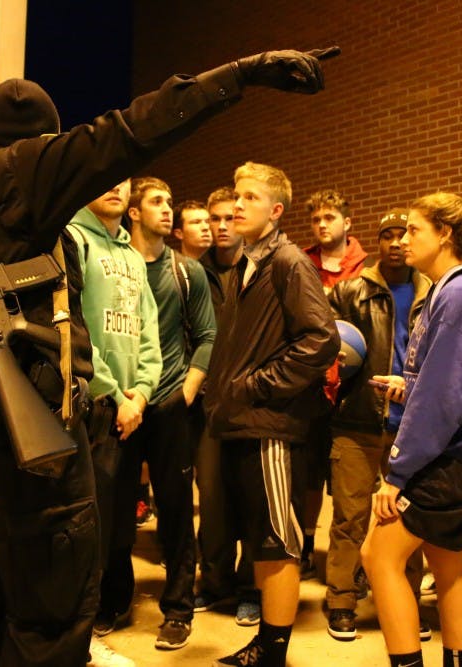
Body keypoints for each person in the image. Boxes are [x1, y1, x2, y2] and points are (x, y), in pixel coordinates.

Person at [0, 47, 337, 667]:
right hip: (19, 429)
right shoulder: (23, 170)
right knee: (50, 608)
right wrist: (242, 74)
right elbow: (131, 131)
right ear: (44, 143)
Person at [361, 192, 462, 667]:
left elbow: (446, 398)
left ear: (445, 234)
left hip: (451, 456)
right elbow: (459, 379)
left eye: (414, 230)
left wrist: (398, 473)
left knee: (379, 556)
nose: (404, 241)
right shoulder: (459, 288)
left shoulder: (460, 291)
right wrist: (410, 386)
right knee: (447, 565)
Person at [206, 162, 339, 667]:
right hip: (245, 422)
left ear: (276, 210)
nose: (237, 205)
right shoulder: (249, 261)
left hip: (271, 427)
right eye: (236, 196)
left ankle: (274, 654)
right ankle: (265, 641)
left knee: (280, 542)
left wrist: (257, 386)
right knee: (263, 540)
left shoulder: (287, 262)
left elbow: (320, 339)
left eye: (250, 198)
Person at [324, 209, 431, 641]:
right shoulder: (351, 290)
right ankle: (342, 601)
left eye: (402, 234)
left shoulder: (435, 290)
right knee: (350, 515)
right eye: (386, 235)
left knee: (409, 520)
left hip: (415, 427)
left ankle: (406, 601)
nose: (394, 243)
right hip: (359, 420)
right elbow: (324, 342)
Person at [67, 179, 163, 643]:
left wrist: (142, 392)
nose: (114, 188)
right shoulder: (73, 238)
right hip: (92, 404)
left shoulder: (130, 254)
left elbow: (149, 331)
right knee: (91, 521)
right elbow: (76, 327)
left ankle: (110, 605)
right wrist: (116, 395)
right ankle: (79, 624)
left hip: (131, 407)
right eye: (104, 179)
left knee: (122, 516)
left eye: (123, 182)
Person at [127, 176, 216, 650]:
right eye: (156, 203)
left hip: (169, 405)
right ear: (134, 213)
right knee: (117, 508)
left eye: (169, 202)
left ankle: (179, 609)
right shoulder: (114, 266)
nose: (167, 210)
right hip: (119, 405)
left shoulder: (187, 272)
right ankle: (114, 600)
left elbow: (207, 336)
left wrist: (186, 392)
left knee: (177, 511)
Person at [194, 185, 261, 627]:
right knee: (213, 500)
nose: (221, 226)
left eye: (229, 218)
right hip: (207, 407)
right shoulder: (193, 272)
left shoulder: (260, 270)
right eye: (214, 218)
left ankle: (251, 589)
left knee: (253, 501)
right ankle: (214, 581)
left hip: (254, 403)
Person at [299, 188, 368, 579]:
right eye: (316, 219)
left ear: (347, 222)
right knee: (309, 475)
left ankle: (351, 556)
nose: (322, 225)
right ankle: (307, 546)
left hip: (351, 390)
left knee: (349, 484)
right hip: (311, 388)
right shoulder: (302, 265)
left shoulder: (366, 269)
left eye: (329, 217)